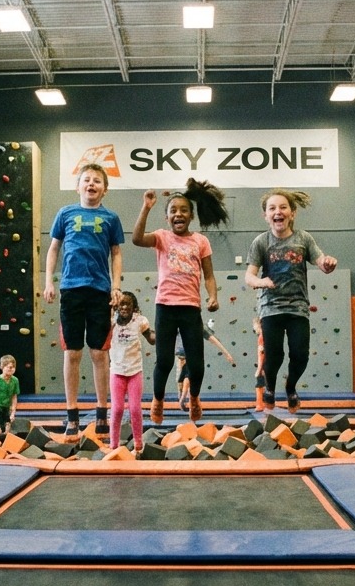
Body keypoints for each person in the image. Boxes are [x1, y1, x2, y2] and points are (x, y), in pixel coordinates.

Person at [132, 179, 228, 423]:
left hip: (190, 309)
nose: (178, 214)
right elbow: (136, 239)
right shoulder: (162, 237)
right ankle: (158, 400)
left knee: (196, 364)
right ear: (167, 218)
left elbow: (208, 275)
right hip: (165, 307)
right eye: (173, 210)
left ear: (191, 216)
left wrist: (213, 296)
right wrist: (146, 207)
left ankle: (194, 398)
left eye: (183, 210)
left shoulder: (200, 241)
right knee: (163, 361)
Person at [44, 163, 124, 437]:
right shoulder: (65, 213)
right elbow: (53, 248)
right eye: (86, 180)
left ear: (105, 189)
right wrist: (48, 282)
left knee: (99, 353)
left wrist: (116, 286)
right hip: (71, 289)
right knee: (73, 352)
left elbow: (116, 253)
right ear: (78, 186)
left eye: (97, 181)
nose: (91, 184)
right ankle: (72, 414)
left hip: (100, 290)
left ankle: (103, 412)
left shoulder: (111, 218)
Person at [246, 188, 338, 414]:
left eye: (283, 207)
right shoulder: (261, 242)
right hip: (271, 308)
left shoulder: (303, 238)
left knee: (300, 354)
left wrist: (327, 264)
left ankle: (291, 386)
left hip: (298, 307)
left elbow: (320, 261)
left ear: (293, 213)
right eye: (272, 208)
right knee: (274, 354)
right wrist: (261, 282)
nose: (278, 212)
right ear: (265, 216)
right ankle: (269, 386)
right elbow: (248, 275)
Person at [108, 292, 154, 452]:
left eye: (128, 304)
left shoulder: (139, 321)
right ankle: (114, 445)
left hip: (135, 371)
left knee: (135, 408)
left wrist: (164, 334)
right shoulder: (112, 320)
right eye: (121, 304)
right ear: (117, 306)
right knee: (117, 409)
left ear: (134, 307)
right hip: (117, 371)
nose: (125, 307)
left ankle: (138, 444)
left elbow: (151, 338)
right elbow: (102, 336)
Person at [173, 320, 236, 412]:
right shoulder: (182, 324)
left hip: (186, 356)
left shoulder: (195, 324)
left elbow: (213, 339)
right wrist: (226, 353)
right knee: (184, 379)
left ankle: (186, 398)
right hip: (184, 356)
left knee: (186, 378)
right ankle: (185, 398)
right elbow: (213, 340)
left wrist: (226, 353)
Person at [251, 314, 267, 412]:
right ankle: (263, 404)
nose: (254, 328)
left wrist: (259, 369)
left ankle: (260, 405)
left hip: (264, 364)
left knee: (259, 384)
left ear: (259, 325)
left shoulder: (261, 337)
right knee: (263, 384)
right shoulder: (265, 336)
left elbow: (262, 354)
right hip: (266, 364)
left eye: (254, 326)